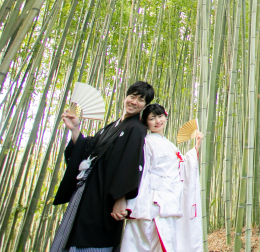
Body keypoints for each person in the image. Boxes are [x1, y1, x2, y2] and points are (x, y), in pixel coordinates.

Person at [50, 81, 155, 252]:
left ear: (145, 105)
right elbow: (88, 150)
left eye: (141, 100)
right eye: (132, 96)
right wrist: (75, 129)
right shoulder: (111, 126)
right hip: (88, 194)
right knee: (77, 236)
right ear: (125, 97)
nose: (134, 102)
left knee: (94, 240)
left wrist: (121, 199)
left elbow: (130, 162)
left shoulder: (136, 128)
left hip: (105, 198)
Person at [121, 104, 204, 252]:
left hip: (169, 201)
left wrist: (195, 148)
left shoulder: (169, 145)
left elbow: (181, 167)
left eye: (160, 116)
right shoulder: (146, 142)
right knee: (149, 242)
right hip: (152, 202)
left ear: (166, 117)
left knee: (166, 240)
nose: (157, 121)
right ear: (146, 122)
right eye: (152, 118)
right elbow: (143, 173)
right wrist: (137, 204)